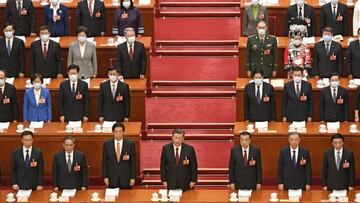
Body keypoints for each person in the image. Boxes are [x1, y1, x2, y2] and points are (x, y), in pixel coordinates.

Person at [102, 122, 136, 189]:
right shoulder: (107, 144)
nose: (118, 134)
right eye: (116, 132)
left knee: (126, 198)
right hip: (112, 178)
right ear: (113, 132)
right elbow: (104, 162)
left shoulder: (130, 144)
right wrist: (105, 177)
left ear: (123, 132)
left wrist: (133, 177)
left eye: (120, 131)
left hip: (126, 178)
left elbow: (133, 162)